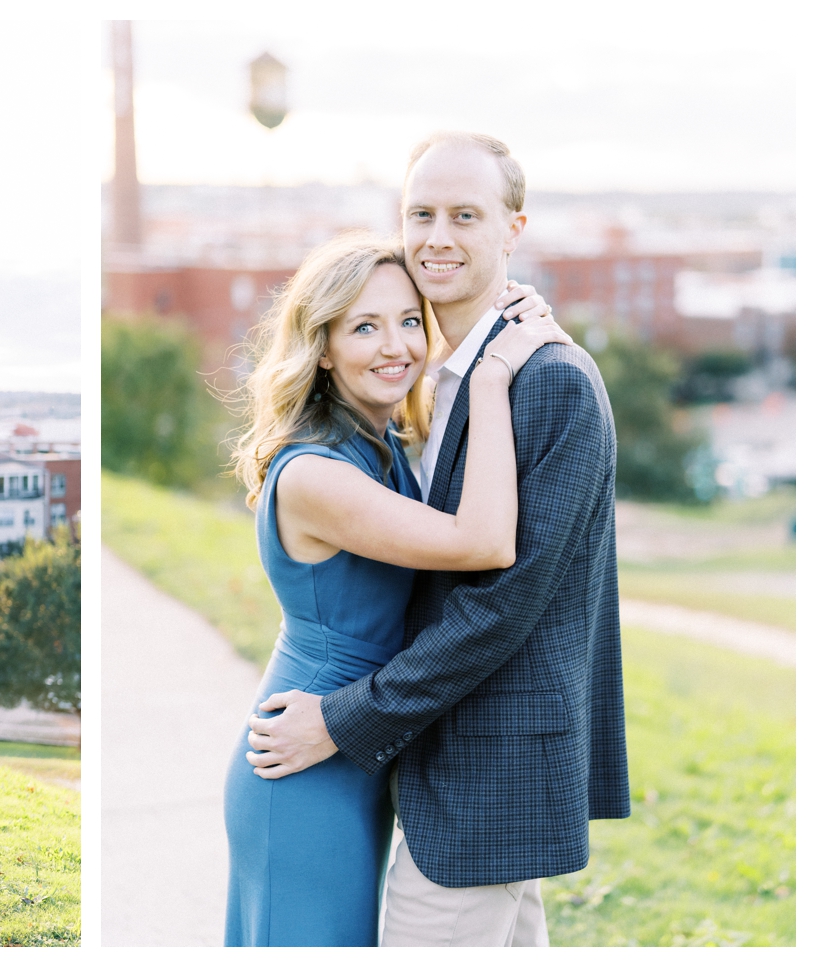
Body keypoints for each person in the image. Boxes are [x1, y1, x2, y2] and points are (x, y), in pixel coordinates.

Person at [243, 132, 630, 947]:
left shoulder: (547, 379)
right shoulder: (443, 384)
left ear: (512, 230)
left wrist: (348, 718)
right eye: (421, 213)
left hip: (487, 768)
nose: (438, 237)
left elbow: (501, 603)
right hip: (427, 760)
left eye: (465, 214)